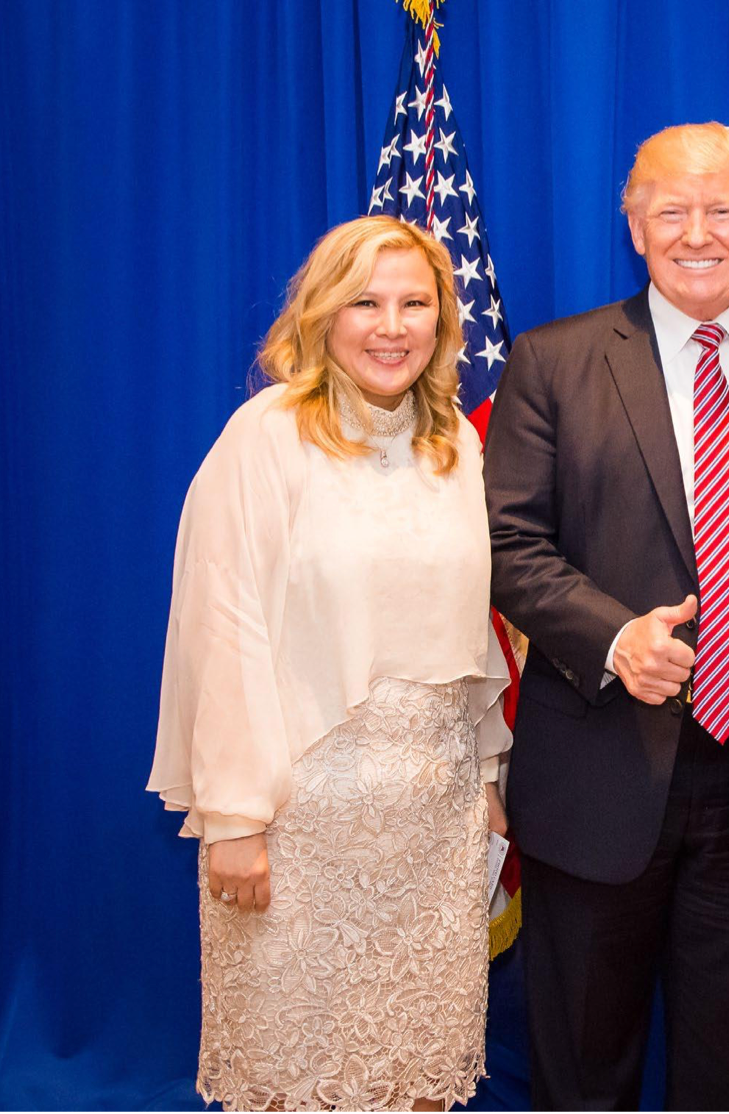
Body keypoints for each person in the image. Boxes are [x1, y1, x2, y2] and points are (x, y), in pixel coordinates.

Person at [485, 122, 729, 1110]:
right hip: (596, 761)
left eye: (722, 211)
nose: (696, 233)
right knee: (582, 1069)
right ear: (633, 227)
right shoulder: (553, 360)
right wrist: (614, 637)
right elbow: (506, 544)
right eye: (670, 210)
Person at [148, 215, 511, 1112]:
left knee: (418, 1074)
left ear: (442, 320)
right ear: (322, 314)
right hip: (298, 829)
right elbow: (222, 628)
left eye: (414, 304)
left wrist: (487, 776)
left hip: (435, 827)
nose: (392, 327)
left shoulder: (456, 445)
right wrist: (234, 817)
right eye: (366, 303)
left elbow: (476, 630)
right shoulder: (265, 437)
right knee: (296, 1078)